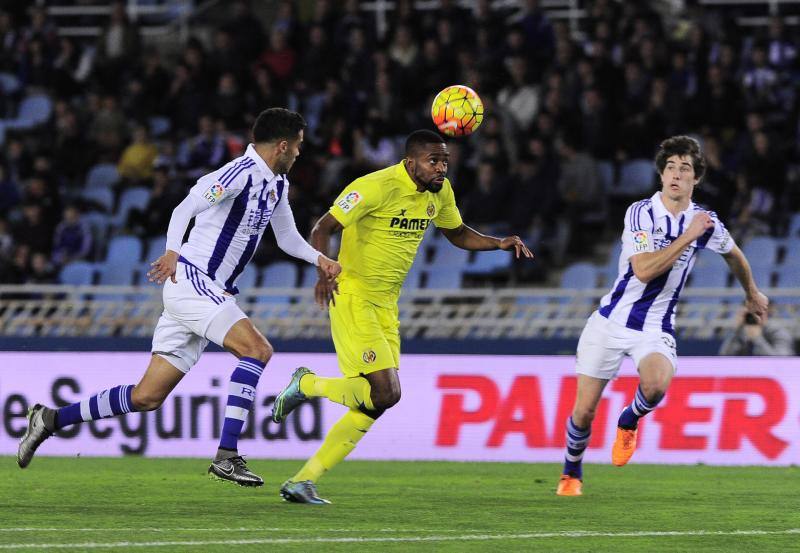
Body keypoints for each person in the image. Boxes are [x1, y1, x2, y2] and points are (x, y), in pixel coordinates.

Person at [17, 108, 341, 486]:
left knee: (146, 397)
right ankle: (227, 455)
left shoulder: (276, 185)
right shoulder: (237, 174)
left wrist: (321, 259)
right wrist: (172, 251)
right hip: (192, 280)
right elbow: (184, 207)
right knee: (257, 350)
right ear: (282, 146)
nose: (301, 153)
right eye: (299, 146)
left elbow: (286, 237)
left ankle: (50, 419)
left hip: (206, 292)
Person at [270, 129, 533, 504]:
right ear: (410, 162)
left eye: (444, 161)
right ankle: (307, 385)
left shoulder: (440, 192)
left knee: (379, 400)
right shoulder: (374, 186)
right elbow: (322, 227)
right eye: (433, 161)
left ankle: (303, 480)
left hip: (386, 304)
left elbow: (456, 233)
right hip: (354, 295)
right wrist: (324, 270)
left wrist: (498, 242)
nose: (441, 168)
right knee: (386, 391)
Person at [555, 136, 769, 497]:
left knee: (656, 386)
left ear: (695, 179)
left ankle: (629, 419)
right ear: (661, 174)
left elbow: (734, 254)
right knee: (584, 413)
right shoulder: (641, 212)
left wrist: (751, 292)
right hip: (610, 322)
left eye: (684, 169)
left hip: (654, 327)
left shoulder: (706, 221)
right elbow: (642, 270)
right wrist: (688, 237)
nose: (675, 174)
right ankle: (571, 472)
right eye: (670, 167)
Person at [719, 304, 794, 356]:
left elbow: (781, 362)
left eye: (757, 313)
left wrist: (757, 338)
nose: (753, 318)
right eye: (749, 315)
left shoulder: (778, 332)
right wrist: (736, 330)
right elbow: (724, 357)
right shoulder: (741, 332)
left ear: (765, 314)